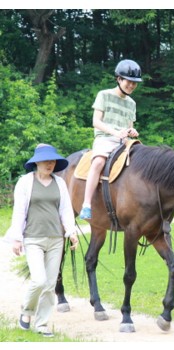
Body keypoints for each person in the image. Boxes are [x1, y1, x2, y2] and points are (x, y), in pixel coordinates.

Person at [4, 144, 79, 337]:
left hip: (56, 240)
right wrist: (16, 238)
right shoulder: (25, 183)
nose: (50, 164)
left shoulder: (60, 183)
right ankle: (27, 311)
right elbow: (19, 211)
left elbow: (65, 210)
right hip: (33, 239)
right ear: (36, 163)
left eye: (53, 161)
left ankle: (42, 324)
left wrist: (71, 231)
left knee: (50, 285)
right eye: (46, 161)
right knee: (39, 280)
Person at [79, 59, 142, 220]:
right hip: (105, 138)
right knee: (99, 162)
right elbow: (96, 122)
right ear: (119, 79)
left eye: (135, 83)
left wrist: (131, 131)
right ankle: (86, 204)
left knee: (143, 163)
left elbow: (129, 126)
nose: (132, 86)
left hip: (124, 142)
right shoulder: (104, 95)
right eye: (129, 81)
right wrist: (115, 132)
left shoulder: (132, 103)